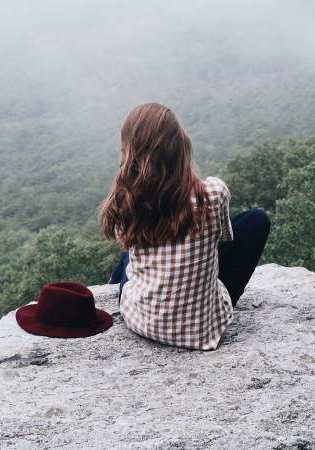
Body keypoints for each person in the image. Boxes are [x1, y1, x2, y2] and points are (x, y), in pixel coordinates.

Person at [98, 102, 270, 350]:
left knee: (128, 257)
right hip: (202, 330)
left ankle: (112, 285)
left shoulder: (126, 203)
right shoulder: (214, 193)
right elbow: (222, 240)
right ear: (180, 146)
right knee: (256, 220)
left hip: (141, 321)